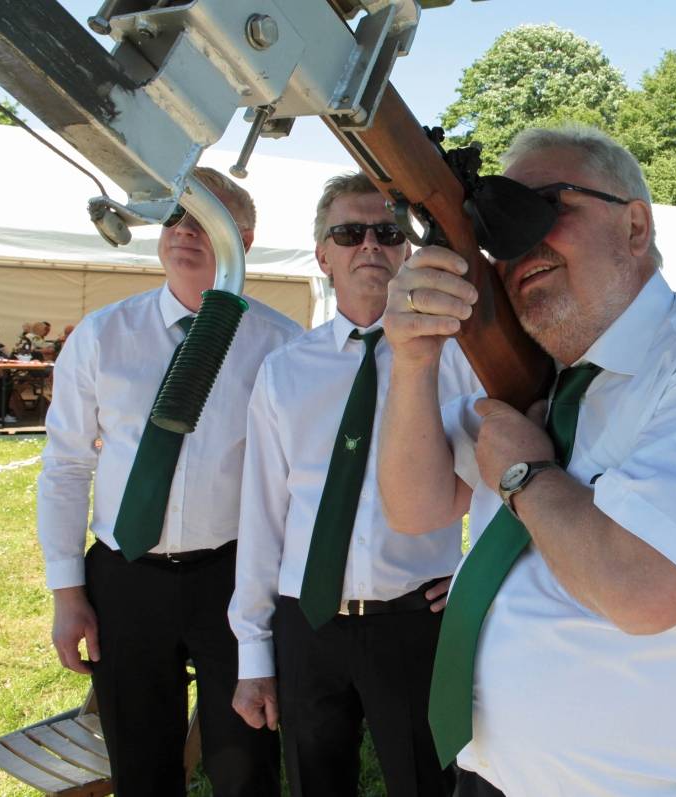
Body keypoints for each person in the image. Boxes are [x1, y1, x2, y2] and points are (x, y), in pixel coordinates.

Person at [377, 125, 676, 796]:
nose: (520, 246)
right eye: (500, 230)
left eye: (547, 206)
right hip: (486, 776)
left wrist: (525, 475)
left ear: (635, 225)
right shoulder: (531, 367)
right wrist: (413, 355)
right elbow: (415, 508)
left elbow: (642, 589)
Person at [37, 166, 297, 797]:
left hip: (232, 577)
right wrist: (68, 592)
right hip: (126, 577)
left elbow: (297, 481)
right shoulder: (103, 335)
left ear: (245, 238)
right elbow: (67, 464)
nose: (186, 232)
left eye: (208, 223)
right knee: (140, 760)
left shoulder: (280, 345)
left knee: (244, 761)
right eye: (178, 217)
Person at [229, 173, 475, 796]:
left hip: (415, 620)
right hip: (309, 623)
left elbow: (502, 476)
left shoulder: (457, 362)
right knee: (318, 783)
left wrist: (476, 575)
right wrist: (254, 656)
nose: (369, 244)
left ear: (407, 252)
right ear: (323, 255)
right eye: (348, 232)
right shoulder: (284, 372)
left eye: (387, 232)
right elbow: (262, 516)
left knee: (428, 783)